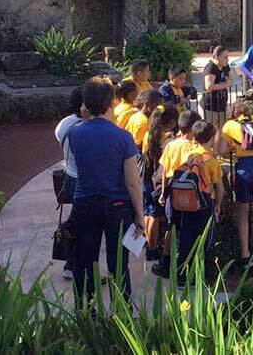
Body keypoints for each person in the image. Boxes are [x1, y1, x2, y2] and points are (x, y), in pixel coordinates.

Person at [70, 77, 144, 305]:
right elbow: (133, 182)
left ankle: (87, 311)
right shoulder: (123, 137)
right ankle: (122, 314)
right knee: (118, 263)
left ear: (85, 104)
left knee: (86, 261)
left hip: (84, 203)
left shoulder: (75, 133)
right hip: (117, 206)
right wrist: (140, 214)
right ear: (111, 102)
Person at [219, 100, 253, 272]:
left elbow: (220, 150)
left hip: (245, 169)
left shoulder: (229, 125)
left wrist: (232, 146)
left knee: (243, 213)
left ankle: (245, 256)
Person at [173, 121, 224, 286]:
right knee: (204, 240)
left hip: (188, 201)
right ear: (212, 139)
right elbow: (219, 187)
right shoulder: (211, 161)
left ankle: (182, 276)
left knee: (186, 236)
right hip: (205, 202)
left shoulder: (190, 156)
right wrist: (218, 204)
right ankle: (200, 276)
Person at [152, 110, 202, 278]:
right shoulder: (196, 146)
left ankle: (165, 263)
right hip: (192, 191)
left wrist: (163, 194)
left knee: (171, 227)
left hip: (173, 190)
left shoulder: (171, 145)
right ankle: (186, 264)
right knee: (189, 228)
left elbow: (166, 171)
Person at [54, 87, 86, 279]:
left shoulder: (64, 124)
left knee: (77, 220)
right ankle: (74, 266)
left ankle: (71, 264)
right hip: (85, 182)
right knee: (84, 226)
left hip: (69, 177)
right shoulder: (87, 127)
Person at [141, 105, 178, 261]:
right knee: (155, 215)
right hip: (156, 182)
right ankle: (152, 248)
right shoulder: (167, 140)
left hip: (145, 179)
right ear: (171, 122)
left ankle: (149, 244)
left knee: (148, 213)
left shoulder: (149, 134)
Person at [202, 46, 233, 129]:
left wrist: (226, 83)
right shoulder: (211, 67)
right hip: (211, 106)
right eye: (225, 57)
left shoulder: (225, 66)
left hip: (222, 104)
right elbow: (209, 86)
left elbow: (231, 78)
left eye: (228, 57)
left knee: (222, 131)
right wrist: (225, 85)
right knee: (211, 132)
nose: (227, 59)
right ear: (216, 57)